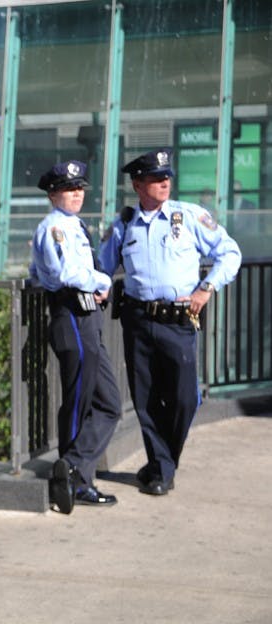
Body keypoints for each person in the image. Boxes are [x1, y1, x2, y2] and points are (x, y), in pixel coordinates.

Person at [99, 148, 241, 496]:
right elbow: (101, 269)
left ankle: (162, 462)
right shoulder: (124, 224)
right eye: (156, 178)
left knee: (184, 399)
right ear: (137, 184)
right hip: (137, 319)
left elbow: (230, 253)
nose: (164, 183)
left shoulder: (190, 216)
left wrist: (206, 288)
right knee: (145, 399)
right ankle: (162, 469)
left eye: (167, 177)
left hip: (179, 321)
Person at [29, 160, 121, 514]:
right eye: (69, 189)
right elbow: (67, 273)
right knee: (78, 403)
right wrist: (102, 281)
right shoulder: (54, 227)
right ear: (53, 194)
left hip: (86, 317)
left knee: (109, 402)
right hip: (72, 315)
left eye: (80, 187)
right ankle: (74, 480)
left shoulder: (71, 226)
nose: (77, 193)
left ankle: (72, 467)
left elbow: (37, 272)